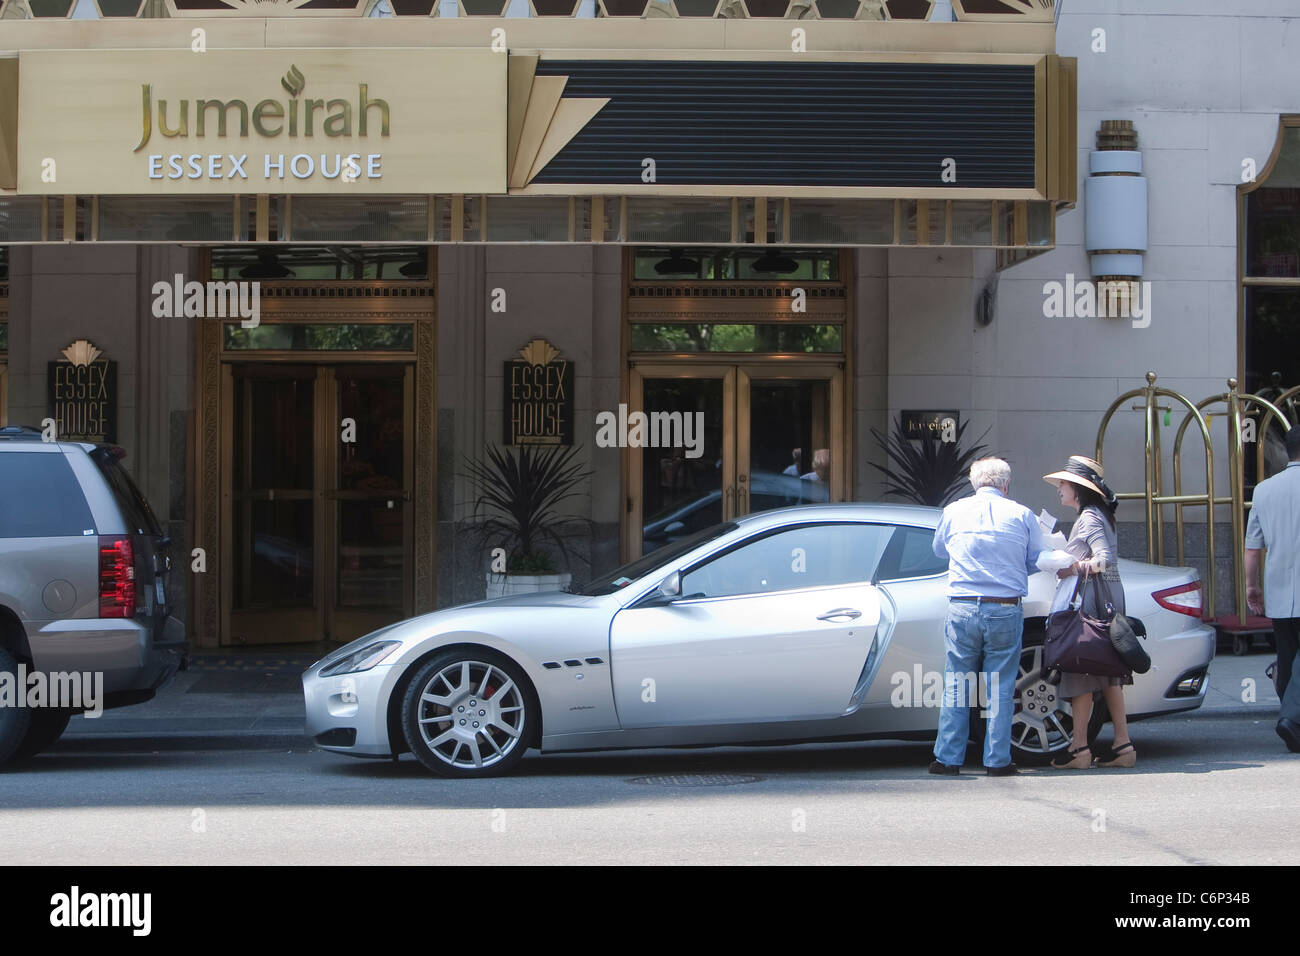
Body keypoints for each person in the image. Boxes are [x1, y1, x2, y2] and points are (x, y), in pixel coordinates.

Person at [930, 458, 1048, 776]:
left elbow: (940, 550)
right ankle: (997, 761)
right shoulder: (1022, 514)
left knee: (956, 683)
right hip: (1004, 607)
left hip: (962, 606)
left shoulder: (953, 511)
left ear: (974, 483)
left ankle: (947, 759)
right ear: (1005, 485)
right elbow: (1036, 560)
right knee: (1001, 686)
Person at [1043, 455, 1134, 769]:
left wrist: (1071, 568)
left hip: (1090, 605)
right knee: (1109, 675)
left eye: (1064, 484)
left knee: (1081, 671)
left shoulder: (1090, 517)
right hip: (1106, 601)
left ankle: (1079, 749)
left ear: (1079, 488)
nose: (1059, 489)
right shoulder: (1099, 513)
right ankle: (1122, 746)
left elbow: (1105, 560)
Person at [1245, 424, 1300, 754]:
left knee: (1287, 656)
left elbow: (1253, 547)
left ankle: (1291, 719)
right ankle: (1290, 719)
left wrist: (1252, 586)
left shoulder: (1264, 490)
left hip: (1280, 589)